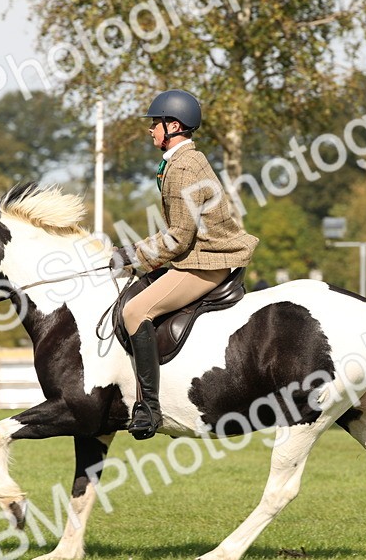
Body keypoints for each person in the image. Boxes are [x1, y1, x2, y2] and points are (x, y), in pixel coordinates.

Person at [109, 90, 258, 440]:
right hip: (197, 255)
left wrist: (129, 258)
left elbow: (178, 237)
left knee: (134, 312)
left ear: (173, 125)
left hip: (207, 262)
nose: (150, 130)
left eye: (154, 124)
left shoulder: (185, 167)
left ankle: (148, 409)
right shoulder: (180, 161)